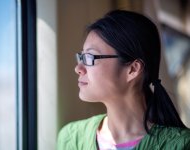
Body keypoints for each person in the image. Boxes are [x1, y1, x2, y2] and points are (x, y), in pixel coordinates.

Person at [57, 10, 190, 150]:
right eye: (81, 57)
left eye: (90, 58)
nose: (78, 68)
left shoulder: (181, 145)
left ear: (132, 69)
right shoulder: (71, 138)